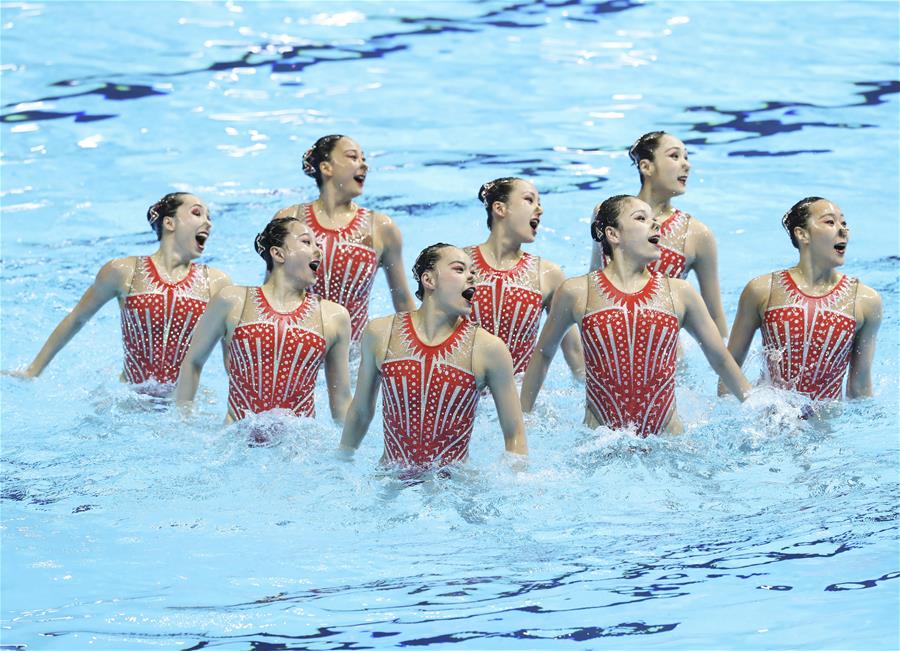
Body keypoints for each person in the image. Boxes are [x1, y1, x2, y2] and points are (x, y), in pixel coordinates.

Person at [521, 195, 752, 437]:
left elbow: (721, 359)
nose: (655, 225)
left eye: (654, 220)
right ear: (613, 234)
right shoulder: (577, 292)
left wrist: (754, 404)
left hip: (669, 445)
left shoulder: (679, 293)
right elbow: (544, 352)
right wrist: (521, 418)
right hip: (599, 443)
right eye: (641, 218)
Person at [8, 193, 231, 391]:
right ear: (169, 222)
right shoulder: (124, 271)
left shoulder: (216, 282)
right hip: (129, 397)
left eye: (209, 217)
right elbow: (77, 318)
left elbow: (232, 351)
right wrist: (33, 371)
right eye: (197, 213)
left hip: (183, 403)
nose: (208, 223)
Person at [339, 243, 528, 467]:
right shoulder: (381, 333)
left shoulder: (489, 348)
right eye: (459, 269)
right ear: (429, 280)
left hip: (453, 483)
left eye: (473, 273)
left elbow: (514, 432)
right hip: (391, 475)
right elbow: (360, 412)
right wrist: (340, 463)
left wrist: (517, 478)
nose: (472, 278)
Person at [175, 217, 351, 423]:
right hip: (236, 440)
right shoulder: (232, 301)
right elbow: (193, 361)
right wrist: (182, 421)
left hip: (298, 447)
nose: (318, 251)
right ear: (278, 253)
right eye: (306, 242)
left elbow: (341, 401)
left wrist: (348, 453)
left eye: (318, 245)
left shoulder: (334, 316)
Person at [723, 197, 881, 401]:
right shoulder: (763, 291)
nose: (843, 230)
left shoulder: (865, 301)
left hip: (827, 426)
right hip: (767, 422)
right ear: (802, 234)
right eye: (830, 222)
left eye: (844, 223)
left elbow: (860, 391)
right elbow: (728, 370)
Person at [272, 134, 415, 343]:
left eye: (364, 159)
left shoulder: (381, 228)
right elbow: (271, 292)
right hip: (297, 352)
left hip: (354, 357)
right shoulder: (289, 219)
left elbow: (402, 302)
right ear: (326, 167)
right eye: (353, 157)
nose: (364, 165)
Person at [590, 131, 728, 337]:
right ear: (646, 166)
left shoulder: (697, 234)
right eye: (675, 156)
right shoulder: (607, 213)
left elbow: (714, 316)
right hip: (607, 346)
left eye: (686, 157)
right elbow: (593, 279)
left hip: (666, 357)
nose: (686, 165)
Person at [464, 177, 583, 377]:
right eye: (529, 200)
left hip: (521, 398)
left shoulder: (548, 274)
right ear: (500, 209)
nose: (540, 209)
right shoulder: (461, 263)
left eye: (540, 203)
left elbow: (574, 352)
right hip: (466, 396)